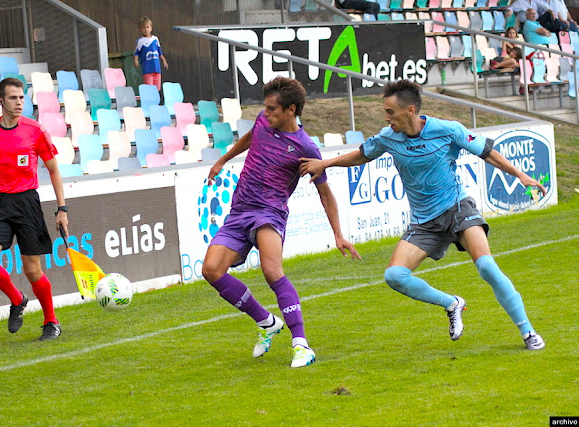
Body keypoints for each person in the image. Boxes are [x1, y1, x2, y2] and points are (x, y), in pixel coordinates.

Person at [299, 79, 546, 351]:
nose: (386, 117)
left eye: (390, 112)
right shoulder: (387, 137)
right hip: (424, 222)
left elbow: (488, 153)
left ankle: (528, 332)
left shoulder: (447, 130)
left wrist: (521, 176)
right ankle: (452, 303)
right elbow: (361, 155)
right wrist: (326, 163)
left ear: (410, 110)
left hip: (457, 208)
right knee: (394, 276)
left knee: (486, 267)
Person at [202, 76, 361, 368]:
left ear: (291, 110)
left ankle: (301, 345)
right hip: (239, 210)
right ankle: (266, 321)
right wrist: (223, 160)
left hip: (269, 213)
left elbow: (325, 191)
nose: (266, 113)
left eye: (273, 109)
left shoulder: (305, 147)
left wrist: (338, 234)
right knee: (211, 270)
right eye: (265, 107)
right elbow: (250, 138)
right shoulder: (264, 122)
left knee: (271, 270)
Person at [0, 77, 69, 341]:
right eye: (13, 98)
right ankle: (17, 298)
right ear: (1, 101)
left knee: (33, 270)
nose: (19, 102)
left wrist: (62, 208)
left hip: (27, 203)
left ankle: (51, 322)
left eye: (22, 97)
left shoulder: (35, 130)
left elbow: (54, 170)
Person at [133, 16, 168, 91]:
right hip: (147, 68)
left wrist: (163, 60)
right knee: (149, 88)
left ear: (151, 28)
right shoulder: (140, 41)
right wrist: (136, 61)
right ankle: (149, 101)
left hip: (156, 67)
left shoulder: (155, 39)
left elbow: (159, 50)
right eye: (143, 27)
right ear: (140, 29)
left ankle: (155, 101)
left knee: (157, 88)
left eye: (147, 27)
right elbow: (136, 52)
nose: (146, 29)